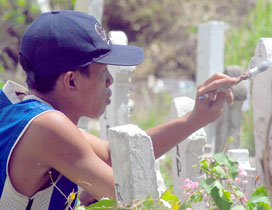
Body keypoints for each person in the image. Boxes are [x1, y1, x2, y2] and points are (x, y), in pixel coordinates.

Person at [0, 10, 235, 209]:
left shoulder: (24, 110)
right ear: (71, 81)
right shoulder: (48, 127)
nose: (110, 80)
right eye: (103, 72)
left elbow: (117, 158)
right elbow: (131, 193)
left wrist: (194, 120)